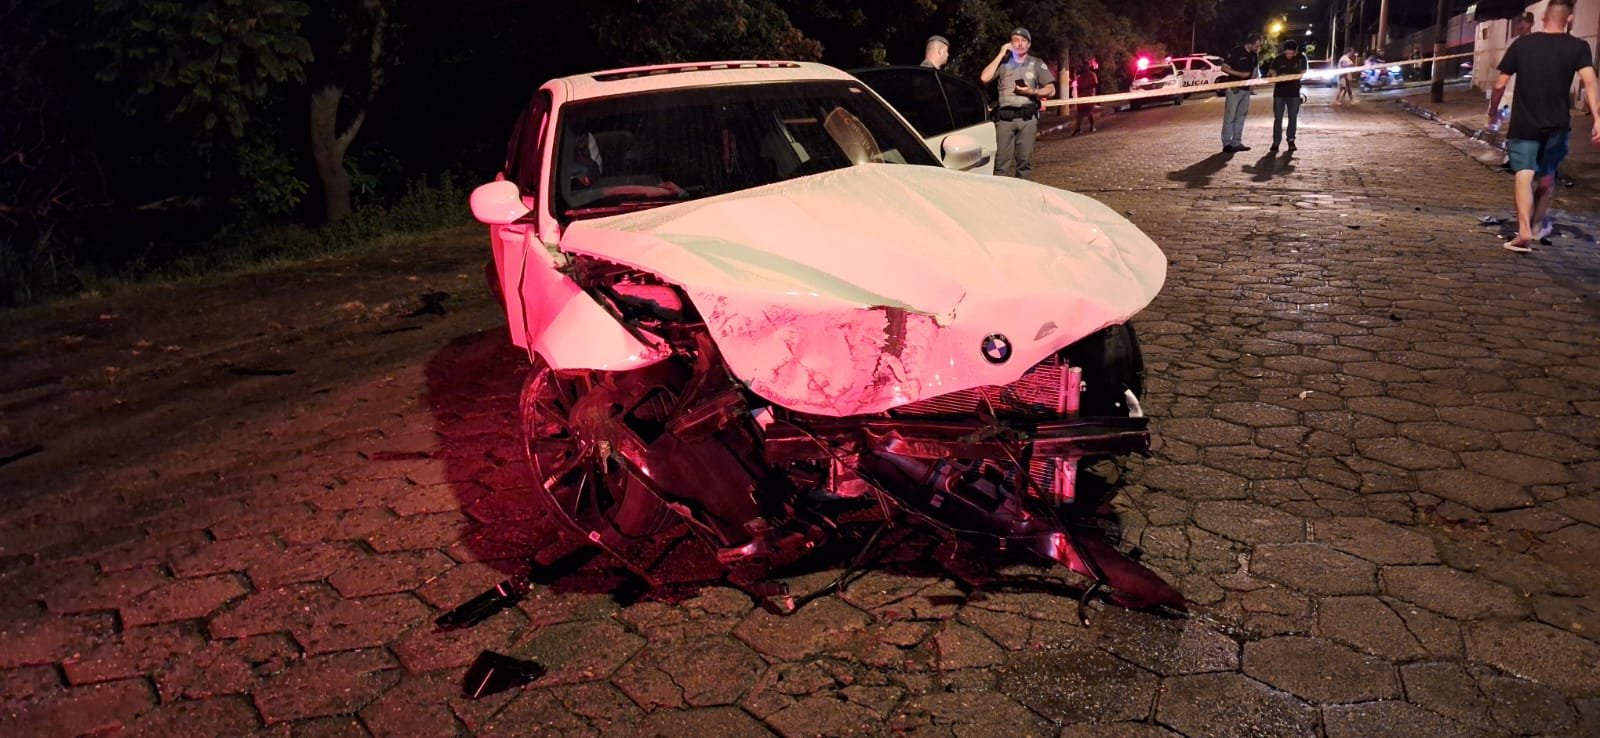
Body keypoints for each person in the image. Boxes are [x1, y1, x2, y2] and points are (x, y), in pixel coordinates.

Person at [1487, 0, 1600, 252]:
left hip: (1525, 123)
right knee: (1547, 177)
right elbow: (1591, 82)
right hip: (1558, 124)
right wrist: (1597, 118)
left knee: (1524, 175)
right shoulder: (1579, 47)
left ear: (1543, 18)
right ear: (1569, 19)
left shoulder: (1522, 44)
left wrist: (1493, 112)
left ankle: (1524, 231)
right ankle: (1537, 226)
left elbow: (1499, 84)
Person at [980, 27, 1056, 179]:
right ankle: (1000, 193)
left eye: (1023, 40)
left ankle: (1023, 192)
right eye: (1015, 40)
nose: (1020, 44)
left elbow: (1051, 90)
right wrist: (1001, 54)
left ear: (1029, 44)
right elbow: (984, 78)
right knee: (1000, 165)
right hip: (1004, 120)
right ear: (1010, 43)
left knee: (1024, 163)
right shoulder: (1003, 63)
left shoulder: (1036, 63)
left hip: (1027, 119)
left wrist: (1032, 92)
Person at [1219, 33, 1262, 152]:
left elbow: (1254, 69)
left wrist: (1253, 82)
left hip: (1246, 91)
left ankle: (1236, 142)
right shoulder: (1235, 52)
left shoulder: (1254, 55)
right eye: (1257, 45)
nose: (1258, 48)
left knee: (1241, 117)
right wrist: (1240, 75)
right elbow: (1223, 67)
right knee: (1230, 117)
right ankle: (1227, 144)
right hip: (1234, 89)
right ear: (1250, 43)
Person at [1266, 40, 1308, 152]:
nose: (1289, 55)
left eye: (1291, 53)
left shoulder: (1301, 58)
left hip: (1294, 93)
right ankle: (1276, 141)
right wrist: (1274, 76)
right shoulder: (1278, 59)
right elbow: (1271, 73)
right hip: (1279, 93)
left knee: (1292, 117)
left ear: (1295, 51)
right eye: (1287, 53)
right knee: (1278, 118)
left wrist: (1288, 76)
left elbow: (1303, 73)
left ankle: (1291, 140)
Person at [1070, 61, 1099, 135]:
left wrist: (1086, 88)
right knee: (1079, 113)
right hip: (1081, 97)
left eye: (1086, 66)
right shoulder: (1080, 76)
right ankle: (1078, 129)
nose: (1084, 68)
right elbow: (1078, 86)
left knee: (1089, 112)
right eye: (1083, 66)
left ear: (1088, 66)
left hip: (1090, 96)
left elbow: (1095, 84)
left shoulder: (1092, 74)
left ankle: (1092, 126)